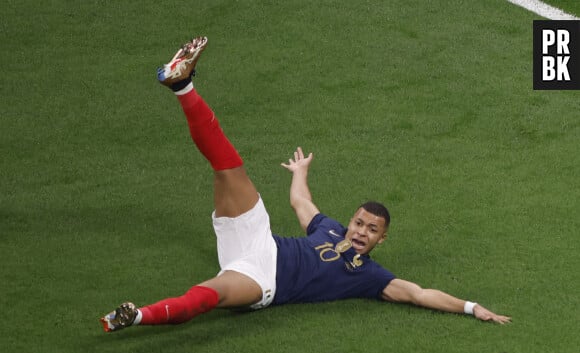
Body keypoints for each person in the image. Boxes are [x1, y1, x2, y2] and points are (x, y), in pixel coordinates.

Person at [100, 36, 511, 332]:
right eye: (360, 222)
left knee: (209, 296)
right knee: (227, 165)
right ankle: (181, 84)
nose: (362, 231)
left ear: (381, 240)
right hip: (258, 238)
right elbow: (301, 205)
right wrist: (300, 174)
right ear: (350, 221)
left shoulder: (368, 275)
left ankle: (136, 316)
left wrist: (473, 308)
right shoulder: (328, 228)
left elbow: (420, 294)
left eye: (372, 230)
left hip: (263, 281)